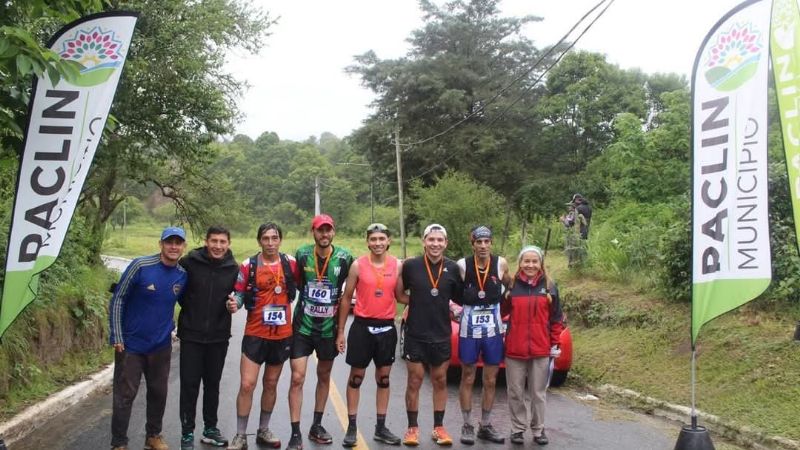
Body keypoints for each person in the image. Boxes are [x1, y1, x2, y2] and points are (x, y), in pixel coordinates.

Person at [108, 226, 188, 450]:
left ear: (183, 247)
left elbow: (186, 303)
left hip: (161, 346)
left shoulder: (182, 275)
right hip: (131, 344)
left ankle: (153, 436)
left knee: (158, 393)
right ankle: (119, 443)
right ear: (160, 244)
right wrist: (116, 333)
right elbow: (119, 298)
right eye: (169, 242)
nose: (173, 246)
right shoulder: (140, 266)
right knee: (125, 396)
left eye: (178, 243)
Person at [225, 223, 299, 450]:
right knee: (247, 384)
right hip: (255, 333)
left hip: (282, 335)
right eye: (265, 238)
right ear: (259, 241)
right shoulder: (249, 265)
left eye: (274, 238)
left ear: (280, 240)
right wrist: (234, 304)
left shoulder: (291, 264)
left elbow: (305, 285)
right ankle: (240, 435)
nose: (270, 243)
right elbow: (238, 292)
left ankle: (263, 429)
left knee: (271, 384)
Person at [287, 214, 353, 450]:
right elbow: (296, 285)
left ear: (333, 232)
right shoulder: (303, 254)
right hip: (302, 327)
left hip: (328, 330)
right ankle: (295, 433)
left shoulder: (345, 258)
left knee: (324, 376)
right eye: (320, 231)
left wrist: (341, 331)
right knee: (297, 377)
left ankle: (316, 425)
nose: (324, 235)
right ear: (312, 232)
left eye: (328, 231)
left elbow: (349, 292)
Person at [395, 223, 463, 447]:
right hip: (415, 333)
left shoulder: (453, 269)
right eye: (431, 240)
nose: (435, 244)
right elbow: (399, 293)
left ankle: (439, 427)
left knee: (440, 380)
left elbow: (457, 298)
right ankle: (412, 429)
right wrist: (417, 302)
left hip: (441, 334)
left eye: (439, 240)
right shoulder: (411, 265)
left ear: (446, 243)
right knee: (414, 381)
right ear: (424, 242)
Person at [336, 223, 403, 447]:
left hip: (386, 328)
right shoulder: (357, 265)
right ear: (367, 242)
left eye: (381, 239)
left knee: (383, 379)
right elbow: (346, 298)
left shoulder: (397, 265)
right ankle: (352, 427)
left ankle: (381, 427)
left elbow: (402, 295)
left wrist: (430, 301)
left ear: (388, 241)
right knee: (356, 378)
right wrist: (341, 332)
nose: (377, 243)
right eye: (373, 239)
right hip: (362, 328)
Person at [177, 226, 240, 450]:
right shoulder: (189, 262)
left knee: (212, 384)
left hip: (219, 336)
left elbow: (240, 295)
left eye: (223, 242)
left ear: (228, 244)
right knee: (189, 384)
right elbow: (178, 292)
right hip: (191, 335)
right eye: (214, 241)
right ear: (206, 241)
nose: (218, 246)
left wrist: (236, 304)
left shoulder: (234, 269)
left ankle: (210, 429)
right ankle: (187, 432)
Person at [501, 245, 565, 446]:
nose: (530, 265)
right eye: (526, 261)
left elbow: (556, 319)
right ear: (520, 263)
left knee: (538, 393)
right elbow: (501, 312)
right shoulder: (511, 286)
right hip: (515, 349)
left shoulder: (549, 286)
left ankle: (538, 429)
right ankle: (518, 429)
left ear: (541, 264)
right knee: (515, 392)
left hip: (540, 349)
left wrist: (555, 343)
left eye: (534, 261)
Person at [454, 226, 510, 445]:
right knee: (467, 376)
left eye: (487, 242)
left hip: (493, 331)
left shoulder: (501, 263)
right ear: (473, 243)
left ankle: (485, 425)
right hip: (469, 330)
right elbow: (453, 291)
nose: (483, 246)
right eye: (479, 242)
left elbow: (510, 286)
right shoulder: (462, 265)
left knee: (490, 379)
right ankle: (467, 424)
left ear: (491, 243)